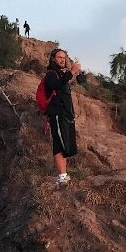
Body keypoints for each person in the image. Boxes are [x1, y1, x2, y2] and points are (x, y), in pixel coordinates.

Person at [44, 48, 82, 187]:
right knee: (59, 145)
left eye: (64, 58)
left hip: (65, 115)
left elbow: (67, 86)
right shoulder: (51, 74)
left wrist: (77, 75)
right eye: (59, 57)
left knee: (65, 144)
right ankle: (61, 177)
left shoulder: (61, 74)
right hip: (57, 115)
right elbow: (56, 86)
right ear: (53, 59)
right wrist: (71, 72)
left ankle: (64, 175)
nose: (62, 60)